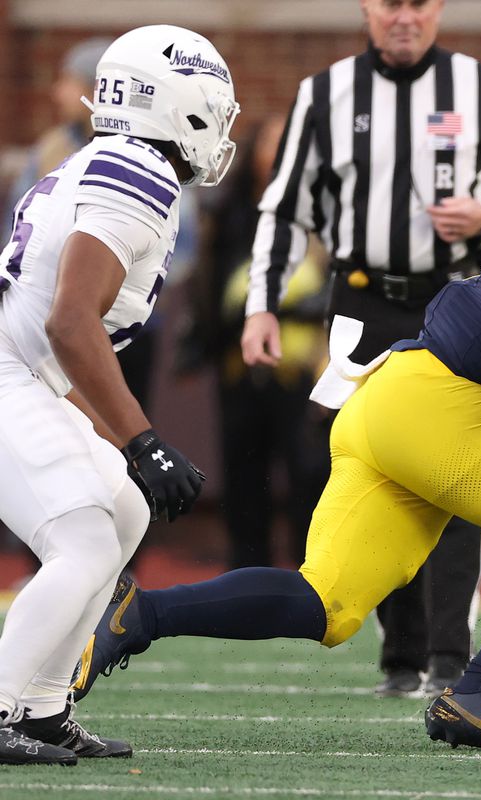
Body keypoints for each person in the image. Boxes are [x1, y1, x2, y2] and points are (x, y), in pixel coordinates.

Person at [72, 112, 481, 753]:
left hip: (403, 409)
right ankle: (479, 693)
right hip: (441, 400)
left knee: (325, 605)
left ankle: (142, 615)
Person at [240, 0, 481, 697]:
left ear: (438, 8)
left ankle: (450, 655)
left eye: (418, 3)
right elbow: (285, 205)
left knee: (457, 468)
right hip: (363, 302)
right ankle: (399, 655)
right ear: (366, 9)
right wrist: (261, 304)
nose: (404, 17)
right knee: (373, 465)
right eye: (390, 3)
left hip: (461, 298)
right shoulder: (322, 95)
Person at [0, 25, 236, 764]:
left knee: (124, 508)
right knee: (82, 537)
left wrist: (121, 443)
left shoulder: (118, 160)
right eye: (212, 107)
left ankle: (40, 709)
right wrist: (143, 440)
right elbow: (70, 322)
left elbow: (61, 335)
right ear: (175, 106)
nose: (220, 125)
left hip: (29, 374)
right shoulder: (138, 173)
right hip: (12, 373)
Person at [179, 115, 330, 569]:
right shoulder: (227, 212)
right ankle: (246, 572)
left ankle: (314, 574)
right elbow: (204, 279)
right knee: (243, 472)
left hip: (304, 365)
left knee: (310, 471)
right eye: (272, 143)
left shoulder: (326, 212)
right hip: (237, 362)